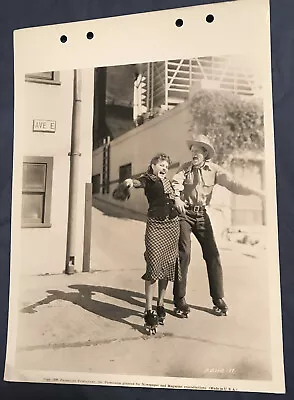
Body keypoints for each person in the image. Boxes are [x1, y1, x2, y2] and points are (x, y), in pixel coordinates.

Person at [171, 134, 265, 317]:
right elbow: (176, 182)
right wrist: (176, 197)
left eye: (198, 150)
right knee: (184, 254)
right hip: (183, 214)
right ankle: (179, 299)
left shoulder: (214, 170)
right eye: (192, 150)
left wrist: (256, 192)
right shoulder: (185, 169)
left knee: (213, 254)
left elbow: (233, 184)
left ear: (205, 153)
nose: (194, 153)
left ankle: (218, 299)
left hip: (201, 215)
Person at [112, 153, 181, 333]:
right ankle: (148, 310)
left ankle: (160, 305)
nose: (164, 169)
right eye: (161, 166)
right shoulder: (148, 179)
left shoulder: (169, 182)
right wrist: (128, 182)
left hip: (172, 225)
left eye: (166, 166)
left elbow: (174, 198)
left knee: (166, 266)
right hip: (156, 226)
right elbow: (137, 182)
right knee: (153, 266)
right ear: (153, 166)